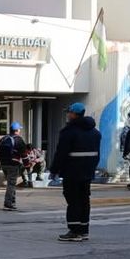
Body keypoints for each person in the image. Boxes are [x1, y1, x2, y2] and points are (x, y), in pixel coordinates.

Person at [49, 103, 102, 242]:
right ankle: (84, 230)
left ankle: (74, 230)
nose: (68, 115)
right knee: (85, 200)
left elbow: (61, 153)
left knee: (73, 200)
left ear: (74, 114)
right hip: (87, 172)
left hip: (72, 172)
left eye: (69, 112)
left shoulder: (69, 132)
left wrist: (54, 170)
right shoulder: (95, 132)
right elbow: (97, 154)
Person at [0, 122, 26, 211]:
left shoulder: (3, 139)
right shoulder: (19, 140)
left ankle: (12, 202)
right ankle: (8, 203)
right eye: (19, 129)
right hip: (13, 164)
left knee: (10, 183)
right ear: (16, 130)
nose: (20, 130)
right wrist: (27, 164)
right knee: (11, 184)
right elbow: (24, 154)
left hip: (4, 164)